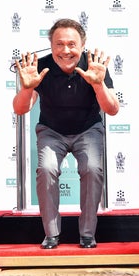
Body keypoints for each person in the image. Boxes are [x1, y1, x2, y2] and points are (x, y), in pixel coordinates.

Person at [12, 18, 119, 249]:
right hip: (52, 131)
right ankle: (51, 235)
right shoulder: (40, 67)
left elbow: (112, 109)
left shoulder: (95, 66)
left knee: (92, 169)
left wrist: (98, 85)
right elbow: (21, 109)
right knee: (47, 169)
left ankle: (87, 234)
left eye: (72, 44)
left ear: (83, 45)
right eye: (59, 44)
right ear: (51, 46)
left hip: (88, 129)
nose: (66, 50)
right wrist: (28, 87)